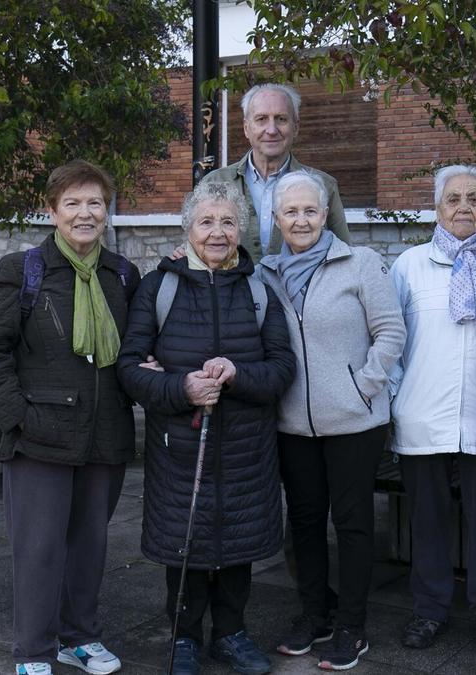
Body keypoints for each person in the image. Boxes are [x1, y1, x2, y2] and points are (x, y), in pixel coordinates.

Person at [116, 180, 295, 675]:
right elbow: (129, 368)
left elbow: (282, 368)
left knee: (238, 542)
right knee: (186, 541)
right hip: (180, 444)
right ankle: (185, 637)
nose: (218, 232)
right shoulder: (160, 287)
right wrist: (180, 388)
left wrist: (237, 375)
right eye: (207, 222)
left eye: (228, 222)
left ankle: (232, 634)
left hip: (245, 445)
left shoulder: (259, 289)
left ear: (242, 230)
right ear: (188, 228)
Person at [0, 160, 138, 675]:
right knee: (38, 549)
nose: (85, 213)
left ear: (107, 212)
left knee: (89, 545)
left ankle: (79, 638)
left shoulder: (124, 276)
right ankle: (34, 652)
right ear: (52, 211)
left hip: (104, 434)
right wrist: (15, 418)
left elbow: (137, 349)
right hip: (38, 436)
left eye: (95, 203)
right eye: (73, 203)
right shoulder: (23, 270)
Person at [254, 171, 406, 670]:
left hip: (355, 423)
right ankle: (315, 614)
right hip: (292, 424)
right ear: (276, 219)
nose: (301, 220)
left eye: (310, 211)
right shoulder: (265, 275)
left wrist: (361, 386)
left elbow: (390, 332)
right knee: (304, 524)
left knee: (354, 524)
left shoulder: (359, 262)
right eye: (290, 212)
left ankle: (352, 626)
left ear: (326, 215)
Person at [388, 164, 476, 658]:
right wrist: (394, 403)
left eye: (473, 199)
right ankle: (429, 608)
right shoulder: (409, 266)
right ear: (437, 207)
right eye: (453, 199)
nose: (463, 207)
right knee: (427, 519)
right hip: (423, 415)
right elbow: (393, 341)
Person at [200, 83, 350, 256]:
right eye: (261, 119)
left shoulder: (324, 185)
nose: (271, 130)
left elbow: (344, 255)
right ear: (246, 128)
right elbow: (198, 247)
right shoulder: (214, 183)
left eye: (281, 119)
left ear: (296, 127)